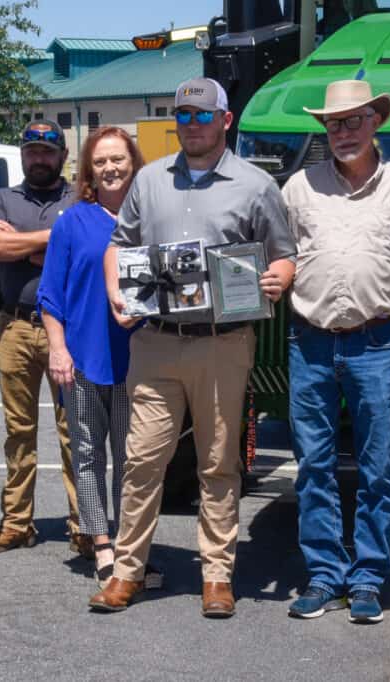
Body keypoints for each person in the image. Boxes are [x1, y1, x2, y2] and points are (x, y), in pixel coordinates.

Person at [88, 77, 296, 618]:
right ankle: (127, 571)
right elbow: (120, 247)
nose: (192, 125)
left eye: (203, 116)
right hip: (155, 342)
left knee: (219, 464)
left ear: (226, 120)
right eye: (183, 116)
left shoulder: (255, 185)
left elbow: (283, 255)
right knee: (141, 462)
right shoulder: (149, 180)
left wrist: (276, 279)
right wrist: (116, 291)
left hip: (222, 343)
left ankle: (217, 576)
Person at [283, 79, 390, 625]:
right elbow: (281, 259)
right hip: (311, 343)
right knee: (314, 466)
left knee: (376, 467)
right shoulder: (298, 188)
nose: (342, 132)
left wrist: (377, 317)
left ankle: (368, 577)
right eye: (333, 123)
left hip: (376, 345)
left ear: (375, 122)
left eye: (353, 121)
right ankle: (324, 575)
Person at [37, 126, 148, 586]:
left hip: (140, 360)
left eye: (118, 159)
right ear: (88, 169)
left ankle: (130, 545)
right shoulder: (71, 222)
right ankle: (100, 542)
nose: (110, 168)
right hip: (82, 361)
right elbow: (50, 296)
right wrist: (58, 349)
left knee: (132, 460)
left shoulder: (149, 218)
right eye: (100, 161)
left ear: (133, 162)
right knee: (86, 455)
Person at [0, 120, 88, 556]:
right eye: (31, 151)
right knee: (18, 431)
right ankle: (18, 523)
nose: (39, 158)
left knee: (75, 431)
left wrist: (23, 243)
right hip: (15, 325)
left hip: (70, 332)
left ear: (62, 155)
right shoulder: (1, 198)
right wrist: (53, 243)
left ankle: (85, 523)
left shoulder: (80, 198)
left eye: (47, 151)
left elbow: (86, 252)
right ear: (23, 155)